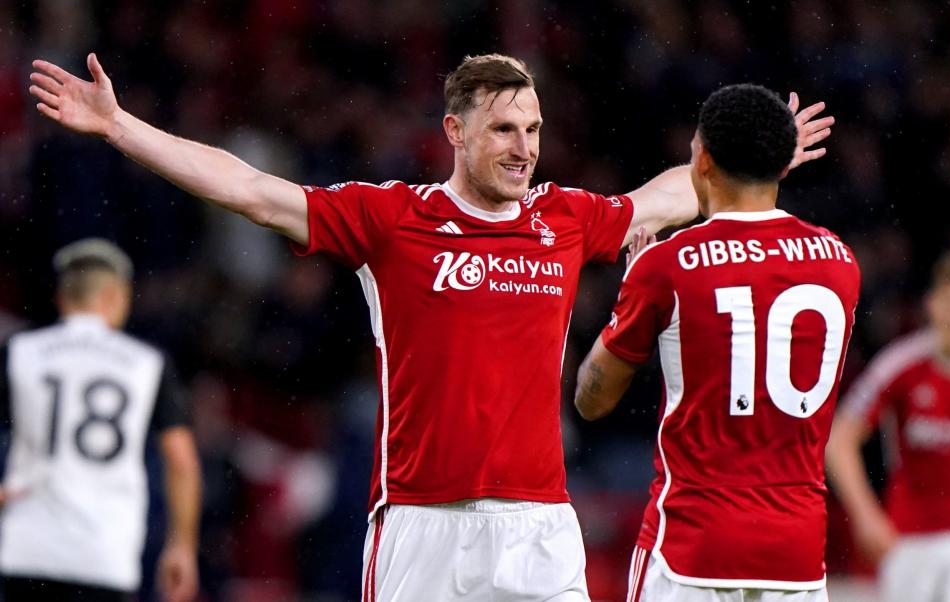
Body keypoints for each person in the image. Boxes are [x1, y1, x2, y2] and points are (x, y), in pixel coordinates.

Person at [27, 52, 831, 600]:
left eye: (535, 130)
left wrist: (755, 168)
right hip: (421, 524)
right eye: (506, 130)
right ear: (455, 131)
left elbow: (664, 198)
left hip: (540, 525)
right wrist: (122, 128)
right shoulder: (390, 219)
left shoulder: (564, 219)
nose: (526, 150)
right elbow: (249, 190)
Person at [574, 84, 860, 602]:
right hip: (795, 556)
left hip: (692, 549)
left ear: (703, 158)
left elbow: (591, 400)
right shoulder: (840, 261)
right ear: (778, 162)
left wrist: (630, 296)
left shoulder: (665, 266)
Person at [0, 239, 201, 602]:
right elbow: (182, 461)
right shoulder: (147, 364)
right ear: (114, 295)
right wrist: (181, 546)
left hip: (28, 546)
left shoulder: (19, 352)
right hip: (104, 552)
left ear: (62, 298)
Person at [826, 250, 950, 602]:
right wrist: (865, 514)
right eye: (949, 302)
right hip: (910, 540)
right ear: (931, 305)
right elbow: (839, 440)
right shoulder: (901, 365)